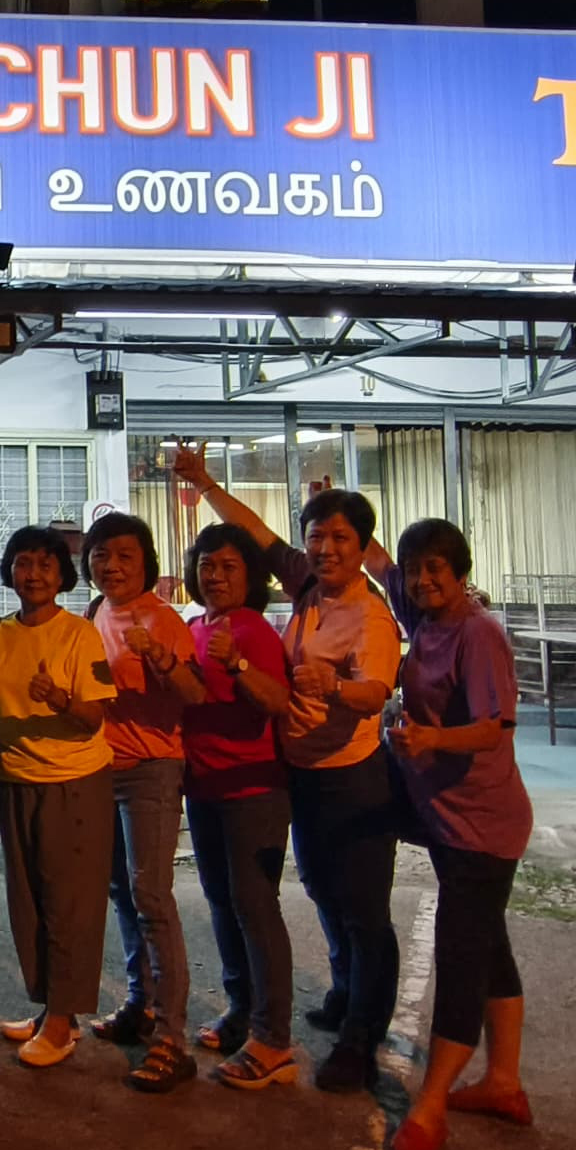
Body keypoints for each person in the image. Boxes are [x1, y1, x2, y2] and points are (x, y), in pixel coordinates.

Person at [176, 448, 404, 1096]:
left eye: (340, 538)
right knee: (324, 893)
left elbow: (375, 692)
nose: (326, 549)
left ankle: (361, 1038)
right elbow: (256, 534)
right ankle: (342, 991)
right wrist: (206, 484)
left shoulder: (372, 616)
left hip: (353, 777)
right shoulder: (306, 583)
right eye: (317, 537)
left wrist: (334, 684)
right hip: (299, 770)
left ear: (363, 546)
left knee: (364, 910)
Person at [385, 517, 534, 1150]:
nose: (421, 579)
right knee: (488, 947)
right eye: (414, 568)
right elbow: (370, 556)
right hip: (449, 820)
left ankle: (431, 1104)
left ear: (461, 572)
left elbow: (494, 727)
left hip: (484, 825)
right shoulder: (424, 619)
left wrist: (430, 738)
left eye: (434, 568)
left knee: (459, 957)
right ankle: (503, 1083)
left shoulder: (479, 633)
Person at [0, 526, 119, 1068]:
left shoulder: (80, 634)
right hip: (16, 781)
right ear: (9, 572)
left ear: (63, 575)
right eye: (22, 563)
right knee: (30, 905)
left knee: (70, 906)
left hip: (74, 783)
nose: (33, 574)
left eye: (45, 564)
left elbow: (93, 717)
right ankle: (51, 1010)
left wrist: (59, 697)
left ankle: (62, 1023)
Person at [82, 512, 206, 1093]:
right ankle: (141, 1003)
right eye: (102, 555)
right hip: (101, 770)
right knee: (121, 893)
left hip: (152, 770)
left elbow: (193, 694)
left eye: (124, 555)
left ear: (146, 562)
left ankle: (173, 1038)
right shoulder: (95, 614)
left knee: (152, 896)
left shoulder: (163, 619)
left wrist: (159, 659)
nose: (111, 565)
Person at [180, 522, 302, 1091]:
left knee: (256, 908)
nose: (216, 576)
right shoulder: (195, 627)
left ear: (250, 575)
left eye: (229, 566)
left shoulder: (252, 630)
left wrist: (239, 667)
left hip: (254, 791)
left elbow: (278, 702)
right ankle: (240, 1012)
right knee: (223, 906)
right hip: (204, 789)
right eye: (207, 565)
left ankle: (274, 1038)